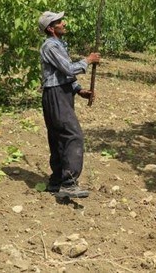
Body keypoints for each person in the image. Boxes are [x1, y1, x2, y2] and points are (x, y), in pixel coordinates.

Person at [38, 11, 100, 199]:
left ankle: (56, 181)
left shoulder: (58, 44)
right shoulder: (50, 46)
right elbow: (68, 68)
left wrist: (78, 89)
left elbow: (62, 74)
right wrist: (87, 61)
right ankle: (69, 182)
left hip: (59, 92)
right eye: (59, 22)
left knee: (58, 136)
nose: (63, 23)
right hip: (56, 94)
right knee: (73, 136)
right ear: (51, 28)